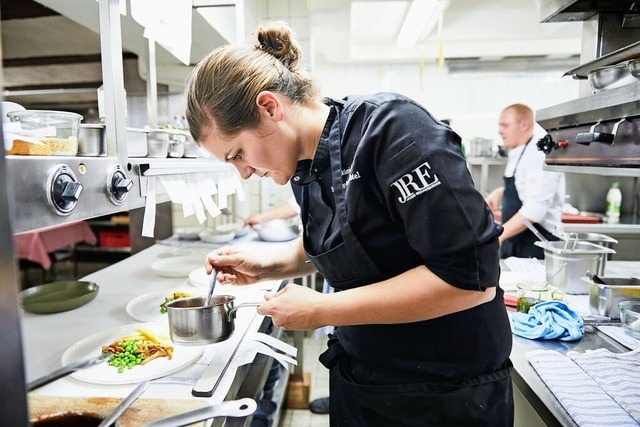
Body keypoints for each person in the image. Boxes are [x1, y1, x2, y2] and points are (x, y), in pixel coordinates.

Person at [186, 21, 513, 426]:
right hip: (364, 381)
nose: (244, 173)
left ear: (269, 108)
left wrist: (324, 308)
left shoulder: (391, 129)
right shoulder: (303, 167)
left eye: (238, 154)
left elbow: (470, 280)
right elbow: (353, 243)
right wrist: (269, 265)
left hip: (442, 393)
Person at [485, 104, 565, 259]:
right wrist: (500, 192)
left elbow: (535, 209)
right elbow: (524, 186)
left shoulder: (538, 154)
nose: (500, 131)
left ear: (524, 125)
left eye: (505, 125)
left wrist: (498, 236)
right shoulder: (521, 151)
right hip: (516, 242)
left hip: (537, 244)